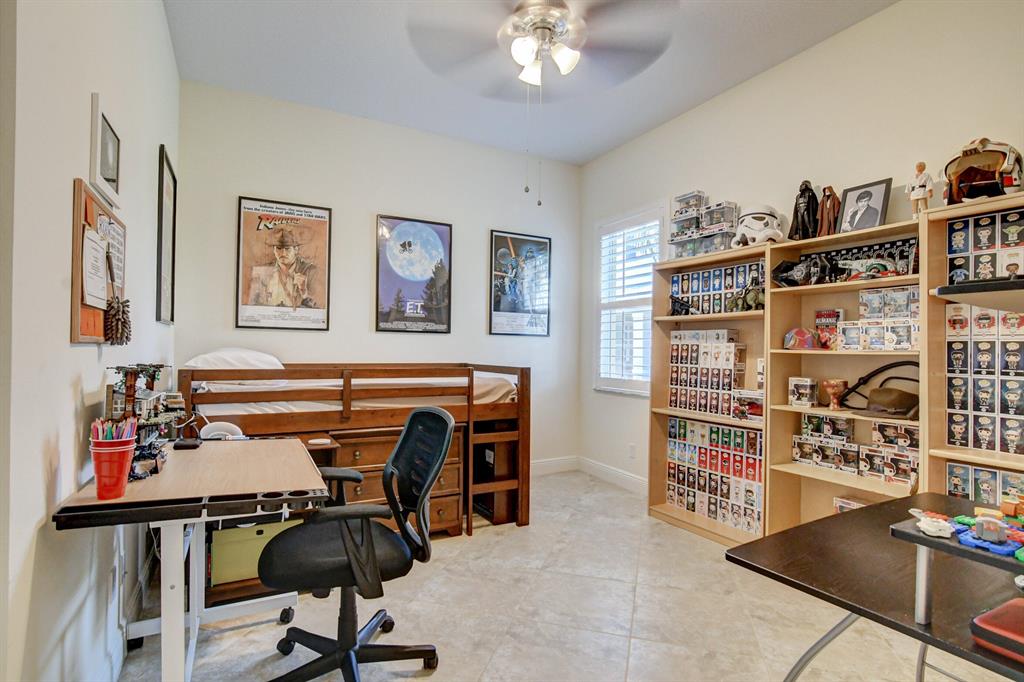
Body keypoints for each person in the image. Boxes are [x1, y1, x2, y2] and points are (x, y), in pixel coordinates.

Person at [247, 229, 321, 308]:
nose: (283, 253)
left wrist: (304, 292)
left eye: (287, 248)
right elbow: (253, 304)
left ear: (296, 250)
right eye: (279, 248)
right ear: (274, 250)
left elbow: (318, 309)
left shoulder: (310, 271)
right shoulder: (263, 271)